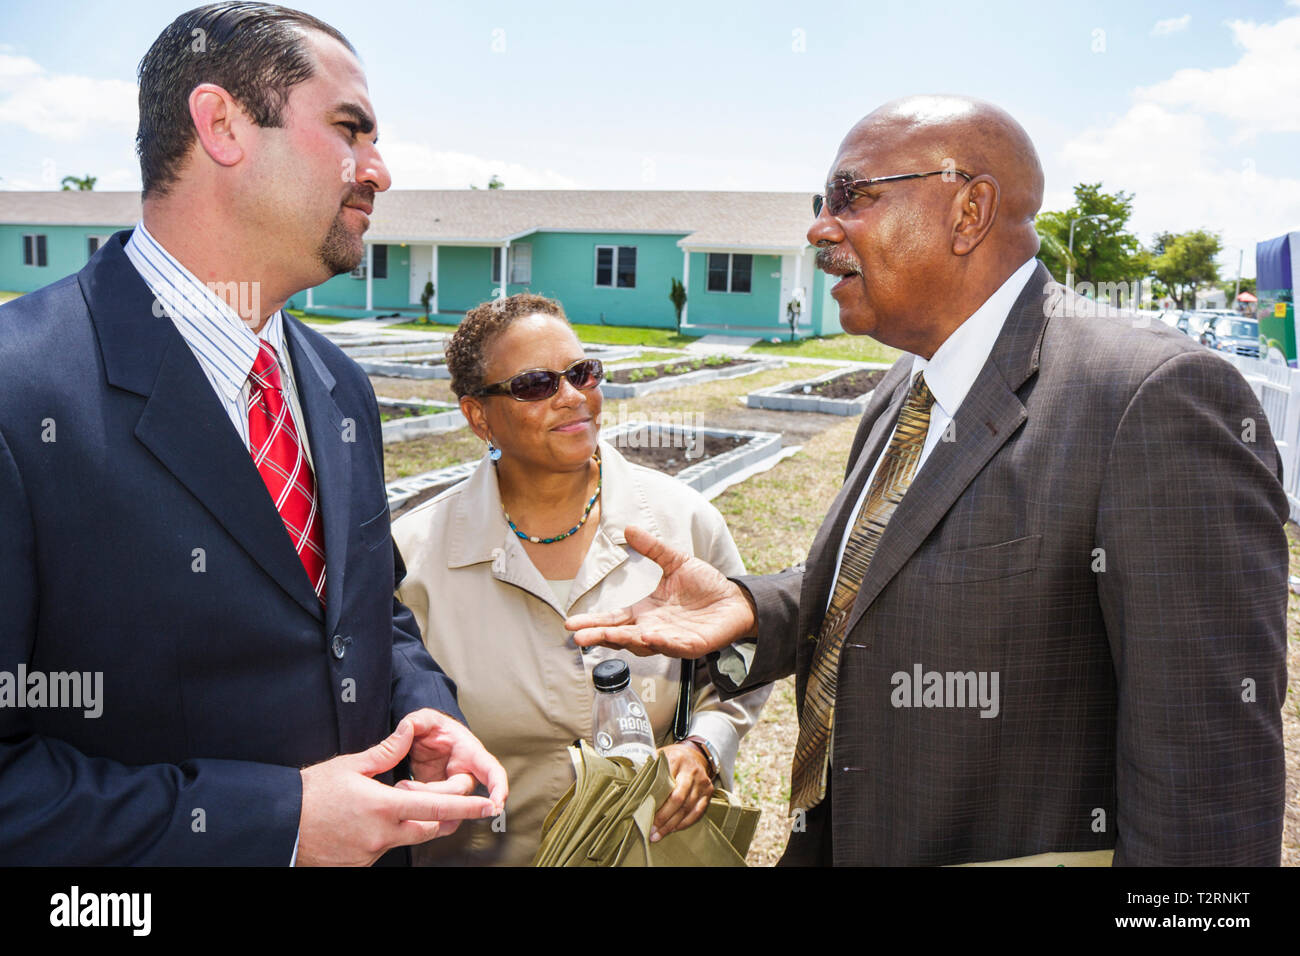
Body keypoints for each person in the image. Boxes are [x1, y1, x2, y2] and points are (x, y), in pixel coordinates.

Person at [567, 95, 1290, 866]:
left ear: (969, 210)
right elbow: (880, 587)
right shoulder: (907, 384)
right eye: (823, 203)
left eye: (854, 197)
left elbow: (1206, 771)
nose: (820, 227)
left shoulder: (1148, 396)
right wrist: (752, 607)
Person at [0, 2, 505, 866]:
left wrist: (425, 709)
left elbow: (366, 613)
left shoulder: (339, 387)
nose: (378, 169)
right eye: (351, 129)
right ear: (223, 124)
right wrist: (280, 822)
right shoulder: (20, 392)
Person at [391, 293, 771, 865]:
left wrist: (705, 748)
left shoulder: (682, 523)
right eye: (534, 385)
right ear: (478, 416)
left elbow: (744, 657)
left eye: (582, 373)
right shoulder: (414, 559)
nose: (573, 397)